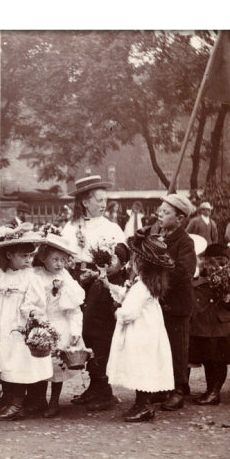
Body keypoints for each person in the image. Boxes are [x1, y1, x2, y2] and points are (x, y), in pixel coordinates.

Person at [62, 175, 128, 411]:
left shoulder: (111, 228)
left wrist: (103, 272)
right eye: (99, 200)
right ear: (84, 202)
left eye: (105, 200)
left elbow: (121, 259)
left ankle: (104, 389)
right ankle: (94, 385)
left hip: (102, 286)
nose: (103, 204)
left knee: (99, 333)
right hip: (77, 283)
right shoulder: (70, 227)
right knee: (83, 333)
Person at [106, 230, 175, 422]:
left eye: (135, 259)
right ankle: (143, 404)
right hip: (149, 331)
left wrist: (118, 313)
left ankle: (143, 405)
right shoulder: (147, 284)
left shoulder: (141, 287)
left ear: (141, 264)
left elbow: (129, 312)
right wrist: (110, 288)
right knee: (144, 365)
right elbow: (129, 297)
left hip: (140, 333)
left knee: (140, 365)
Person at [0, 225, 53, 420]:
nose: (28, 260)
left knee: (19, 361)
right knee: (5, 359)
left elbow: (36, 302)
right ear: (8, 255)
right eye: (23, 256)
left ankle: (20, 401)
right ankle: (8, 397)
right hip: (3, 323)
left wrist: (30, 314)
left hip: (20, 325)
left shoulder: (30, 278)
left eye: (30, 256)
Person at [151, 193, 199, 410]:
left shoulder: (185, 242)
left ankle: (179, 390)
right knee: (162, 347)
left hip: (178, 304)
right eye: (160, 211)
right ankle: (165, 387)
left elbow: (184, 271)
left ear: (179, 219)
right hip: (160, 304)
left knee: (178, 348)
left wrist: (159, 273)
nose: (160, 215)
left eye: (166, 212)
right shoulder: (160, 238)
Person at [31, 232, 87, 418]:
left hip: (60, 324)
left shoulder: (65, 277)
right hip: (40, 323)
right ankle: (38, 399)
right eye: (55, 259)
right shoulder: (36, 274)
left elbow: (74, 308)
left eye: (63, 259)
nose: (59, 264)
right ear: (43, 257)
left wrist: (75, 330)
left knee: (57, 367)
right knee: (39, 363)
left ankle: (54, 401)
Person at [188, 243, 230, 405]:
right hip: (203, 324)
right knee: (208, 360)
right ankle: (210, 390)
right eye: (212, 260)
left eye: (221, 261)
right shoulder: (199, 275)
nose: (216, 264)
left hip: (220, 326)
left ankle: (215, 392)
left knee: (218, 361)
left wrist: (227, 298)